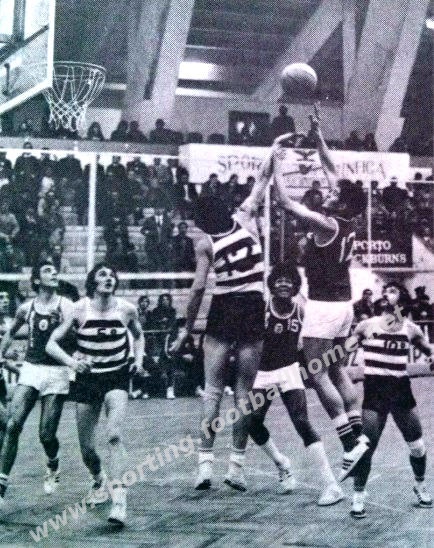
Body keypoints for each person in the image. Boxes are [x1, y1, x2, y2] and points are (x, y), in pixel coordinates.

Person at [242, 104, 369, 481]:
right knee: (337, 369)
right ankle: (359, 436)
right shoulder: (349, 220)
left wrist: (277, 166)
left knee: (317, 373)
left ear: (341, 203)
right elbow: (331, 168)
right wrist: (318, 136)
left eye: (334, 193)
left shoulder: (327, 224)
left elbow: (285, 203)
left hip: (324, 307)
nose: (327, 191)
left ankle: (350, 443)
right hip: (344, 306)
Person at [169, 136, 287, 491]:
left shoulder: (204, 243)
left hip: (223, 308)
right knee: (244, 394)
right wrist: (273, 149)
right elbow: (262, 179)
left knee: (212, 392)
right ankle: (236, 467)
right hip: (251, 307)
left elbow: (197, 290)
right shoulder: (245, 218)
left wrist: (187, 329)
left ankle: (204, 466)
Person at [46, 263, 146, 526]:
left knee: (114, 435)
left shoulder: (127, 309)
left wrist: (138, 360)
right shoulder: (79, 309)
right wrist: (72, 363)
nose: (109, 278)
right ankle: (98, 479)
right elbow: (51, 344)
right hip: (88, 380)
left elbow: (139, 336)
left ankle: (119, 500)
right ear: (92, 282)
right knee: (87, 449)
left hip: (116, 376)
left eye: (112, 275)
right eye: (103, 275)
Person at [249, 262, 343, 505]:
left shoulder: (302, 311)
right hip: (262, 373)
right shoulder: (261, 309)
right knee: (252, 422)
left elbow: (312, 345)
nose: (283, 284)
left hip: (289, 370)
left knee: (302, 422)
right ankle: (282, 463)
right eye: (279, 280)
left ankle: (330, 485)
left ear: (295, 286)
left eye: (288, 281)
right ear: (271, 285)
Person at [350, 282, 433, 518]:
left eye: (393, 291)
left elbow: (429, 351)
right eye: (385, 290)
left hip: (400, 390)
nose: (387, 293)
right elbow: (342, 351)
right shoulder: (366, 326)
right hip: (375, 390)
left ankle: (420, 485)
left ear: (403, 300)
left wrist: (432, 357)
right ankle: (358, 496)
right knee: (366, 447)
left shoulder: (411, 329)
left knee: (417, 445)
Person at [0, 261, 76, 503]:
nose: (54, 273)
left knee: (46, 435)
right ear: (36, 280)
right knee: (13, 425)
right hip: (32, 369)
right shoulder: (26, 308)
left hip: (57, 371)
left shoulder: (66, 305)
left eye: (55, 270)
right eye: (47, 271)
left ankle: (53, 463)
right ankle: (1, 485)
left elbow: (75, 334)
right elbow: (11, 332)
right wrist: (1, 353)